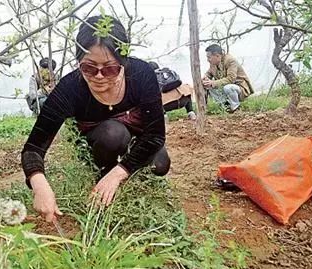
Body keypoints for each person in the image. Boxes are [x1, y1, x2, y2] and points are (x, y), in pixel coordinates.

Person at [21, 15, 171, 221]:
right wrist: (38, 183)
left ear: (123, 63)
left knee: (160, 164)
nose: (99, 76)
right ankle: (103, 173)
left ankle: (122, 174)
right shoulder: (69, 89)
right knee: (113, 133)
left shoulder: (142, 74)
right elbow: (33, 148)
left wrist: (120, 173)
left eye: (109, 68)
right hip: (99, 143)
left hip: (139, 138)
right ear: (78, 63)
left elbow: (155, 135)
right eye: (89, 68)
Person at [202, 44, 254, 113]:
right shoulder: (213, 63)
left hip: (239, 88)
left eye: (209, 57)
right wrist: (204, 79)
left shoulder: (230, 60)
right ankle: (226, 106)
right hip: (224, 88)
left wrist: (213, 83)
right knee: (209, 86)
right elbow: (209, 73)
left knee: (228, 87)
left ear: (217, 55)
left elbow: (230, 79)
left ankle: (236, 108)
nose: (208, 60)